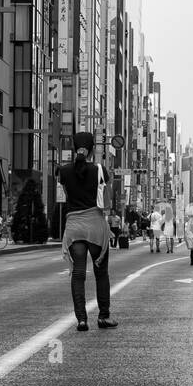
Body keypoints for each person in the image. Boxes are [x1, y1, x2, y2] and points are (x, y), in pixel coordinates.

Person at [58, 132, 117, 332]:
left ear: (75, 148)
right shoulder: (100, 170)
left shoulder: (63, 172)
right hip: (95, 226)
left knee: (78, 274)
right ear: (93, 149)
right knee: (101, 273)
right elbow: (106, 196)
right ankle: (104, 316)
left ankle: (82, 320)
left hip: (74, 226)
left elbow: (67, 195)